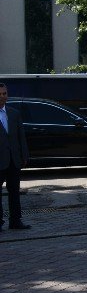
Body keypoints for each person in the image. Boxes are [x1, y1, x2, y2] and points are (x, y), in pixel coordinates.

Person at [0, 82, 30, 232]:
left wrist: (24, 155)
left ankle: (15, 221)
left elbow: (20, 137)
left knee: (14, 191)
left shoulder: (13, 113)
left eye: (4, 94)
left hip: (13, 159)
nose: (2, 97)